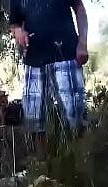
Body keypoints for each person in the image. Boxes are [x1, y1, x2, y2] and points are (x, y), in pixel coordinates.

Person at [9, 0, 89, 156]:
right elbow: (14, 24)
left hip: (65, 55)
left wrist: (83, 43)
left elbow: (79, 7)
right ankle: (42, 169)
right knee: (34, 119)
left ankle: (81, 163)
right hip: (34, 60)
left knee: (75, 116)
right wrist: (18, 32)